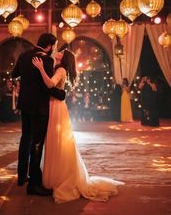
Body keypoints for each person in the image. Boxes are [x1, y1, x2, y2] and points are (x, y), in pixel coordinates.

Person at [32, 49, 123, 204]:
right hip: (57, 107)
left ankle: (58, 177)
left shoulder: (60, 70)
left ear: (64, 57)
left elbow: (50, 84)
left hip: (56, 108)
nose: (57, 52)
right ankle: (56, 175)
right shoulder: (60, 69)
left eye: (60, 52)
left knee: (57, 142)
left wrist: (40, 69)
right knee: (56, 142)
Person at [12, 33, 66, 196]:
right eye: (54, 46)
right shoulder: (47, 60)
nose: (54, 50)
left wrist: (25, 81)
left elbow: (14, 75)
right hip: (39, 107)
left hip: (25, 105)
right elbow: (46, 86)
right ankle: (34, 183)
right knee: (37, 143)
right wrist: (61, 94)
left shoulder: (23, 55)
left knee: (25, 138)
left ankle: (22, 176)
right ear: (49, 46)